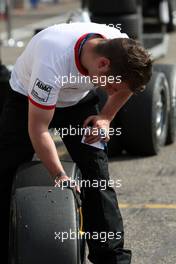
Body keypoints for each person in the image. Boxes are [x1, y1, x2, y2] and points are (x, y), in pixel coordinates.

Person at [0, 22, 152, 263]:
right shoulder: (52, 60)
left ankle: (111, 257)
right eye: (111, 87)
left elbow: (128, 87)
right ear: (103, 64)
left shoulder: (121, 50)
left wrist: (105, 117)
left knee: (97, 177)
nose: (112, 92)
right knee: (7, 171)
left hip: (77, 103)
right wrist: (59, 175)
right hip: (26, 99)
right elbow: (38, 129)